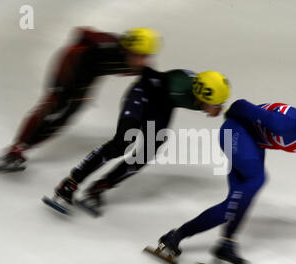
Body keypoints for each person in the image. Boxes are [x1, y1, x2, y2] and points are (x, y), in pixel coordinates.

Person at [155, 99, 296, 264]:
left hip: (253, 142)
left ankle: (226, 243)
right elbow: (240, 106)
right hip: (235, 132)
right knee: (250, 186)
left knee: (240, 197)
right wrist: (229, 116)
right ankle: (175, 236)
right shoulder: (285, 124)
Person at [45, 68, 231, 214]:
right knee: (122, 143)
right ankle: (69, 184)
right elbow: (147, 74)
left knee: (145, 155)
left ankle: (99, 188)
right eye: (216, 105)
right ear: (201, 95)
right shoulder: (178, 84)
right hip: (142, 95)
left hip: (162, 105)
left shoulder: (201, 91)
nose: (218, 110)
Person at [0, 27, 161, 172]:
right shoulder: (106, 45)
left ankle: (23, 148)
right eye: (138, 55)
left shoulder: (138, 66)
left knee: (67, 116)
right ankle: (15, 148)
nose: (142, 61)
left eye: (146, 56)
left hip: (89, 74)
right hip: (72, 63)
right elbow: (82, 33)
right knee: (54, 104)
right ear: (126, 50)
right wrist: (62, 88)